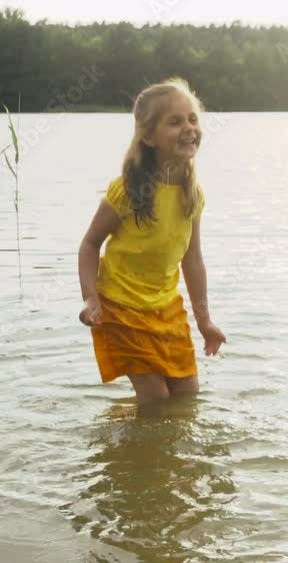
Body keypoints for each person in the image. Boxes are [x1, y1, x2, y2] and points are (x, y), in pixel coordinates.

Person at [78, 78, 226, 406]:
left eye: (192, 119)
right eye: (175, 121)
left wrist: (204, 321)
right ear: (148, 136)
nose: (188, 128)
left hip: (165, 309)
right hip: (119, 308)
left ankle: (132, 440)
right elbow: (90, 244)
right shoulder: (128, 191)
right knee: (157, 399)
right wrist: (91, 298)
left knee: (188, 395)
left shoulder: (193, 194)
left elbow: (193, 260)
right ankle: (133, 448)